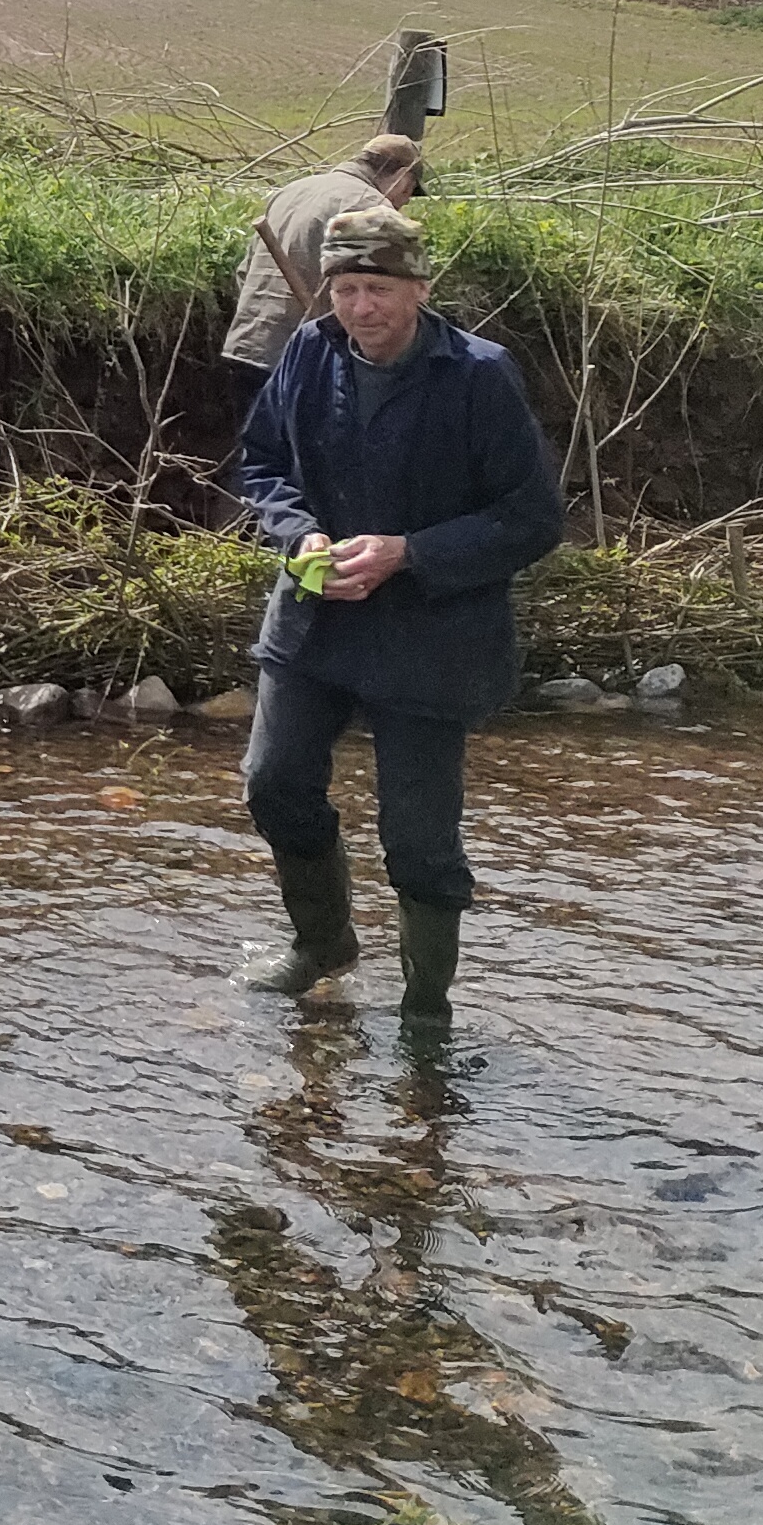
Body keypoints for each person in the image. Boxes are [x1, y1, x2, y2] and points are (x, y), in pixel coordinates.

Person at [225, 198, 562, 1023]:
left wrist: (408, 553)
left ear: (418, 288)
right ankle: (322, 945)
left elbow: (534, 517)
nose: (360, 308)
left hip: (433, 636)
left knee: (418, 840)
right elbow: (262, 462)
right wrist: (299, 537)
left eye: (377, 287)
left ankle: (424, 1009)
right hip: (317, 614)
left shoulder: (479, 375)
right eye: (345, 289)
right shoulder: (310, 350)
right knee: (274, 786)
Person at [225, 132, 427, 412]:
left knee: (259, 451)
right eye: (408, 191)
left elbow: (243, 273)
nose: (404, 202)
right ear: (402, 175)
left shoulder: (293, 190)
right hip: (308, 361)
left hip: (248, 346)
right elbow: (391, 297)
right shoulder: (372, 209)